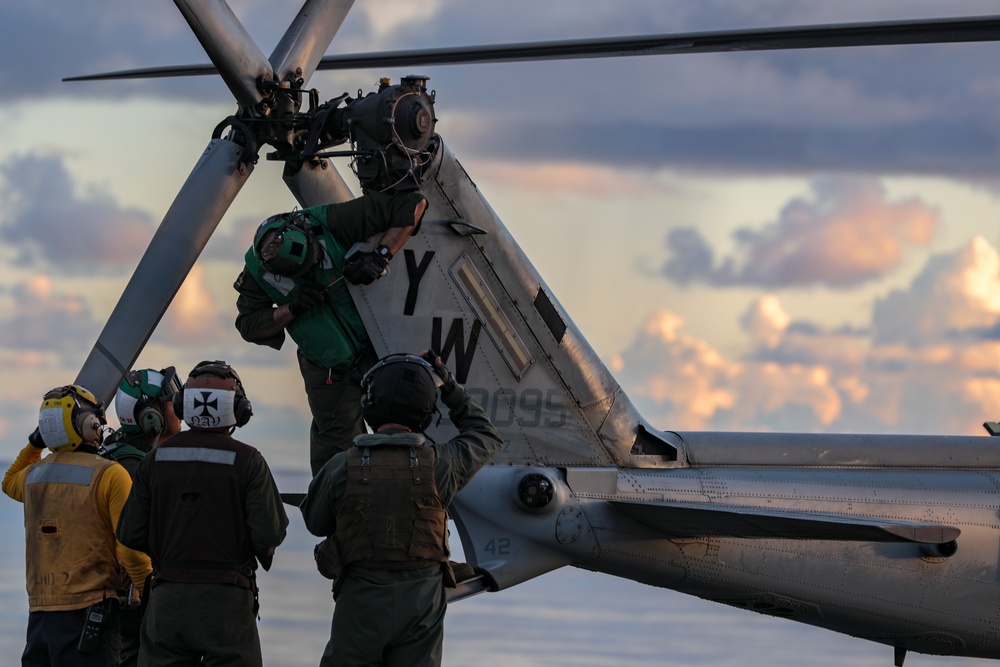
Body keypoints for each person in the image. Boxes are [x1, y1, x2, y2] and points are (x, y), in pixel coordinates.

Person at [299, 351, 503, 667]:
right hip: (422, 607)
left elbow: (315, 522)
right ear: (425, 411)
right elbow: (485, 434)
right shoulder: (441, 465)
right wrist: (449, 387)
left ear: (370, 405)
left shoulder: (342, 466)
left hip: (360, 606)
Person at [234, 190, 427, 476]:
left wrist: (380, 256)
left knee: (409, 426)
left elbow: (412, 203)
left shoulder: (332, 221)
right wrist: (292, 309)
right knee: (336, 451)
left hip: (381, 346)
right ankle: (339, 511)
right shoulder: (256, 271)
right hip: (327, 365)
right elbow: (248, 325)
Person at [116, 360, 289, 667]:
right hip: (228, 603)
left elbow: (131, 533)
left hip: (167, 600)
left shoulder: (153, 461)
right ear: (238, 409)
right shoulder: (249, 461)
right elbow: (269, 534)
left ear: (183, 405)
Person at [2, 385, 152, 667]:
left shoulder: (34, 477)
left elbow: (8, 481)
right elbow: (130, 549)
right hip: (92, 617)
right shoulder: (111, 474)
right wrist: (150, 592)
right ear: (88, 425)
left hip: (40, 618)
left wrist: (36, 442)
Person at [103, 366, 182, 667]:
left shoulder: (121, 453)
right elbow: (131, 544)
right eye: (172, 401)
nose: (181, 409)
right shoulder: (134, 469)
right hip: (131, 607)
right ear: (151, 417)